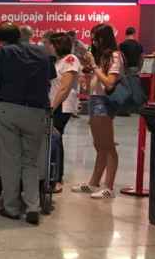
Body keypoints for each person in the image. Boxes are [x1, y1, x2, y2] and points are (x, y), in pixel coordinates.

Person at [0, 22, 56, 224]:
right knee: (31, 161)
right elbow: (50, 80)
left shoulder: (3, 53)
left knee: (10, 159)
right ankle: (33, 207)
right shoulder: (42, 53)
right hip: (37, 110)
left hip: (9, 109)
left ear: (0, 39)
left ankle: (11, 207)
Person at [72, 25, 123, 200]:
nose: (93, 42)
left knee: (108, 146)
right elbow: (96, 81)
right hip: (95, 100)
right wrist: (88, 74)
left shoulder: (114, 56)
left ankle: (108, 186)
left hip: (105, 102)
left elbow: (109, 82)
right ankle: (94, 182)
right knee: (99, 145)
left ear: (104, 38)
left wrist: (94, 66)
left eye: (96, 39)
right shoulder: (102, 57)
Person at [45, 31, 81, 193]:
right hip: (54, 103)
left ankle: (57, 178)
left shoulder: (70, 60)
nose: (48, 47)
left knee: (55, 139)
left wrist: (53, 107)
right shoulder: (57, 61)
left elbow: (65, 87)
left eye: (50, 44)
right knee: (53, 139)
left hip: (62, 105)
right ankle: (52, 175)